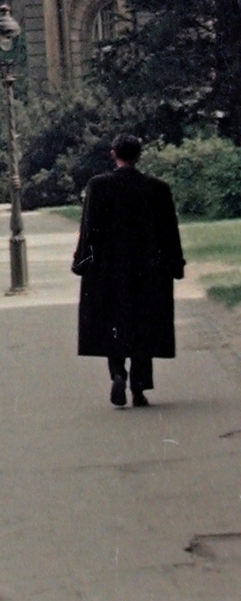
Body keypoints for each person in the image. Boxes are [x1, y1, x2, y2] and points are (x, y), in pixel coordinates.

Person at [73, 133, 185, 408]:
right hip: (148, 269)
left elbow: (89, 229)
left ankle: (118, 373)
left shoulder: (98, 186)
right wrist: (175, 263)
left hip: (108, 269)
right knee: (143, 324)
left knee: (114, 323)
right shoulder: (158, 189)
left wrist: (82, 261)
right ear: (139, 155)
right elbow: (170, 231)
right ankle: (139, 385)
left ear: (114, 154)